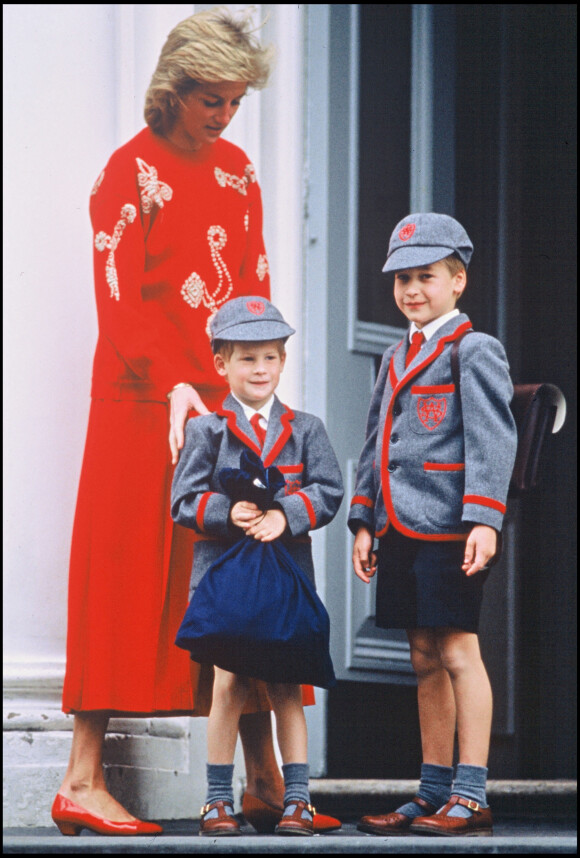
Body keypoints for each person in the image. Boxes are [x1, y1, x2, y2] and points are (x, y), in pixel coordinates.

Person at [52, 6, 339, 838]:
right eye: (211, 99)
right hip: (142, 408)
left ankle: (262, 782)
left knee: (245, 573)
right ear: (173, 90)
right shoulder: (125, 173)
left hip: (221, 407)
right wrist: (178, 385)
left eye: (234, 102)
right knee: (126, 577)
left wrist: (245, 387)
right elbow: (119, 305)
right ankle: (79, 779)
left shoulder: (241, 172)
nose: (223, 115)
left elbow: (250, 284)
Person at [349, 213, 518, 837]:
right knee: (422, 656)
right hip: (400, 526)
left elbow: (492, 439)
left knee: (455, 649)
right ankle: (433, 789)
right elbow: (375, 445)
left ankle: (471, 793)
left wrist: (485, 519)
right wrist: (364, 520)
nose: (411, 291)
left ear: (457, 281)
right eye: (401, 280)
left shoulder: (474, 349)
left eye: (425, 277)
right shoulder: (397, 354)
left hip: (452, 526)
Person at [170, 296, 344, 836]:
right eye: (247, 359)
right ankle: (218, 800)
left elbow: (330, 490)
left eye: (270, 357)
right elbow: (183, 501)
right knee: (229, 684)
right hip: (227, 583)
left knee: (287, 686)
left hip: (284, 579)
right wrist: (229, 511)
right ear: (221, 363)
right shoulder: (208, 431)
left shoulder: (305, 428)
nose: (260, 369)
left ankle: (297, 801)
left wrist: (287, 515)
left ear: (283, 361)